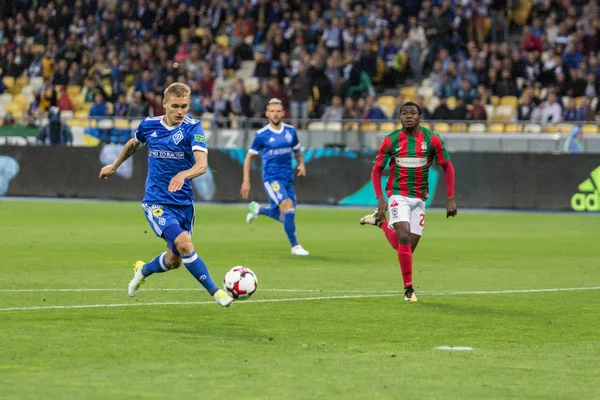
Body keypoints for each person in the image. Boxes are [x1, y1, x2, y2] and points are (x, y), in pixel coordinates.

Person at [98, 82, 233, 307]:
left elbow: (202, 165)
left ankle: (142, 270)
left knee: (174, 261)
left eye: (184, 106)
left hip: (183, 203)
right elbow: (133, 144)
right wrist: (114, 166)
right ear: (164, 104)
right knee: (185, 244)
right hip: (156, 201)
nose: (180, 111)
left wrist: (183, 175)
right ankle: (217, 292)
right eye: (175, 106)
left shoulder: (193, 128)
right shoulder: (149, 126)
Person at [359, 102, 457, 302]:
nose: (409, 116)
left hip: (420, 198)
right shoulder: (390, 140)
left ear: (420, 117)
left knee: (406, 247)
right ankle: (409, 290)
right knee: (403, 236)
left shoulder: (433, 140)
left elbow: (447, 166)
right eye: (405, 113)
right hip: (398, 194)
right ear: (400, 117)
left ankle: (381, 224)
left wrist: (450, 198)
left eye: (413, 113)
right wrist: (380, 199)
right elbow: (376, 169)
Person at [240, 98, 310, 256]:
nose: (276, 114)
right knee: (288, 206)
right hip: (272, 178)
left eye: (278, 111)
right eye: (272, 111)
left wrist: (301, 164)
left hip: (288, 177)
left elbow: (297, 151)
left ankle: (258, 209)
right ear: (267, 113)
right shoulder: (261, 135)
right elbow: (249, 158)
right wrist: (246, 181)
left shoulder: (291, 131)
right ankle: (295, 246)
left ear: (283, 113)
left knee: (286, 215)